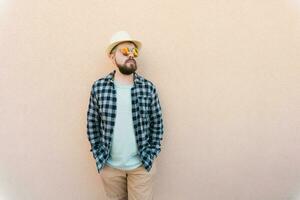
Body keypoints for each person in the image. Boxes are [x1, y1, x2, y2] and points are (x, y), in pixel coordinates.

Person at [86, 30, 164, 200]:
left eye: (133, 51)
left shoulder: (148, 88)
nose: (131, 55)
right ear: (112, 57)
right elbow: (92, 123)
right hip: (110, 167)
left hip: (141, 166)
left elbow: (157, 123)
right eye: (124, 51)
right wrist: (99, 155)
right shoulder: (99, 88)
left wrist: (151, 153)